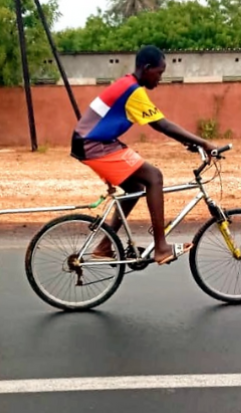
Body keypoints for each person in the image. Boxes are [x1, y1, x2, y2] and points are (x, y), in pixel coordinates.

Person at [70, 45, 218, 266]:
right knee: (154, 177)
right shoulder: (133, 90)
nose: (160, 78)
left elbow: (158, 124)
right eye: (159, 72)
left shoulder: (126, 84)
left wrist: (186, 141)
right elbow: (161, 124)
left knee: (136, 188)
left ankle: (103, 246)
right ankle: (161, 247)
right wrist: (203, 142)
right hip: (94, 144)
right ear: (147, 68)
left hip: (94, 142)